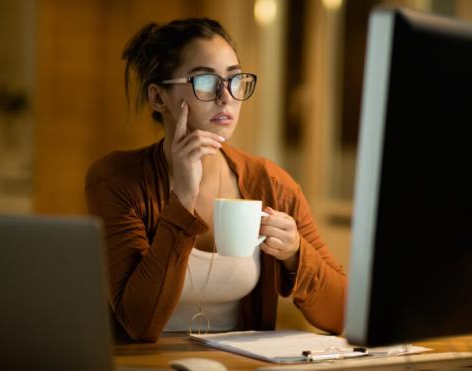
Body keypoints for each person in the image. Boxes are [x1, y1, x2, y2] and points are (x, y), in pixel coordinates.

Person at [85, 18, 346, 342]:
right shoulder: (115, 180)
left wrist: (296, 254)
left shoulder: (271, 183)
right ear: (158, 98)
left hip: (238, 365)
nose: (226, 97)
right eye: (206, 81)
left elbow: (345, 315)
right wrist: (181, 198)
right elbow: (137, 323)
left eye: (234, 79)